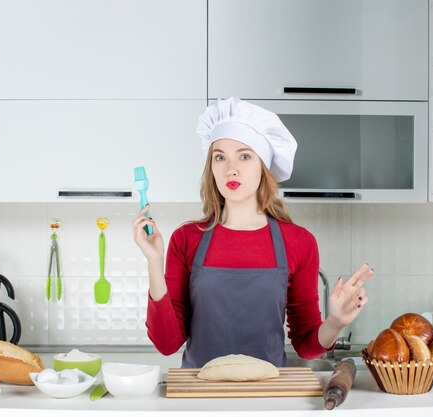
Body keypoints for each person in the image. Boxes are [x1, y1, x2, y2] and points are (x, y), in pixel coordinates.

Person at [132, 97, 373, 368]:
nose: (230, 169)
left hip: (267, 396)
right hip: (200, 397)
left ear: (264, 166)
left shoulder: (299, 242)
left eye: (245, 156)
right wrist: (154, 262)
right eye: (219, 157)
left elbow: (306, 345)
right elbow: (167, 344)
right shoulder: (186, 238)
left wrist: (336, 322)